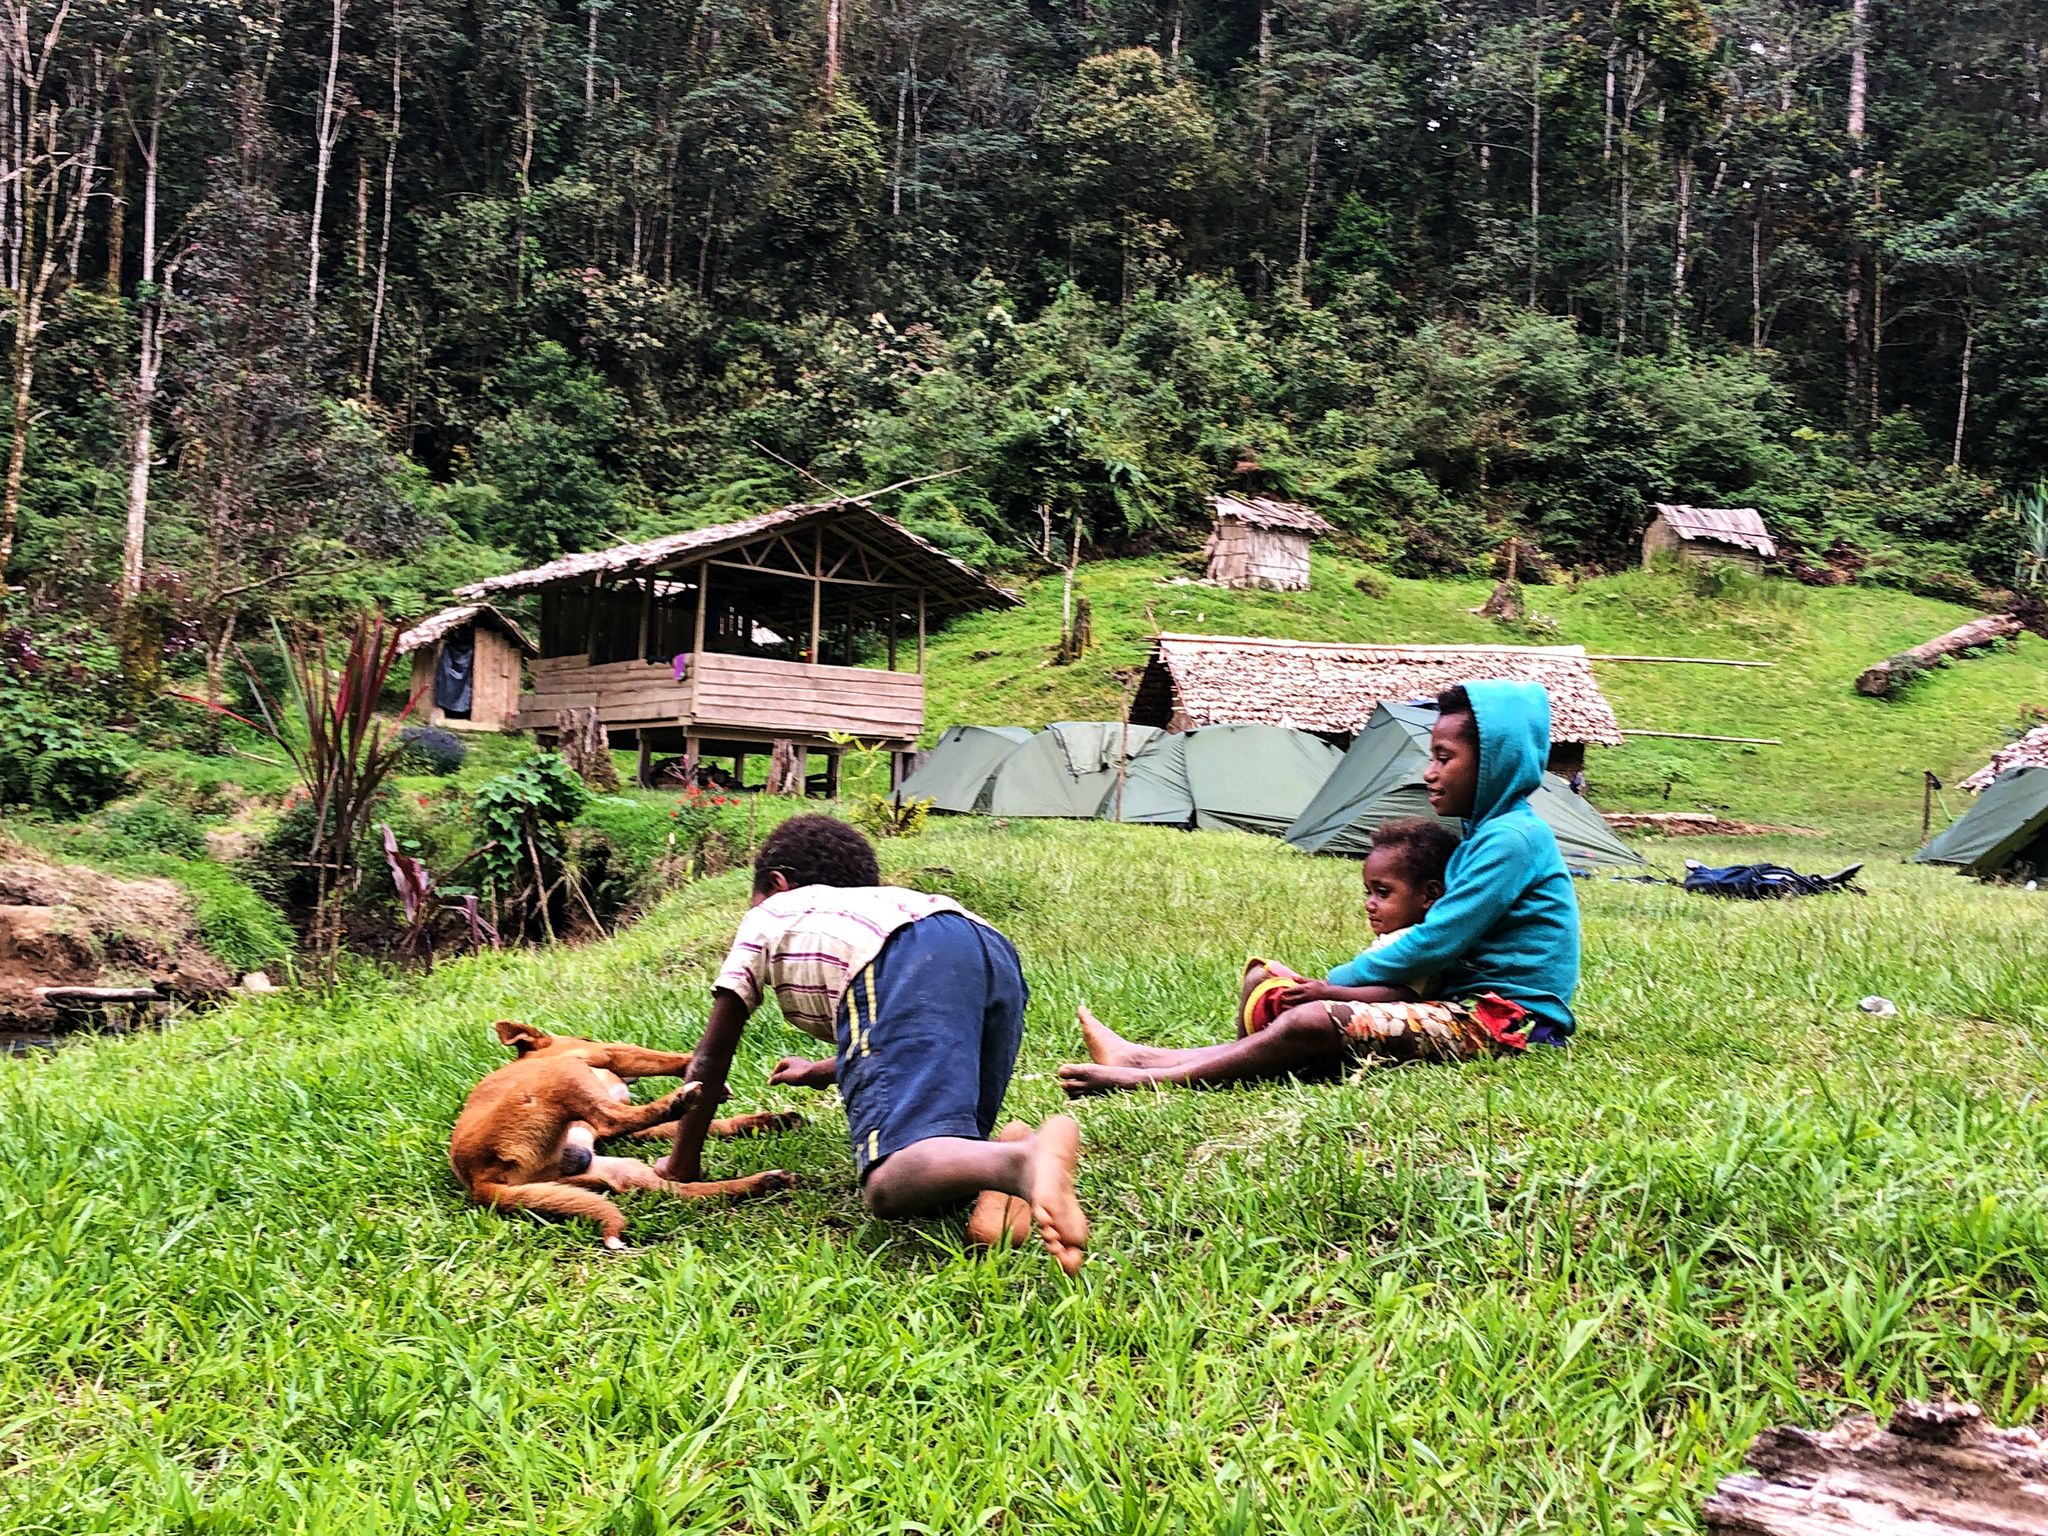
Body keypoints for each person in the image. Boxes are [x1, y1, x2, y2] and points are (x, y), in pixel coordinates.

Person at [1058, 680, 1581, 1095]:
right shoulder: (1486, 834)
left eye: (1444, 758)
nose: (1428, 773)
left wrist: (1337, 981)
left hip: (1508, 1024)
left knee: (1311, 1019)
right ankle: (1147, 1057)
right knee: (1269, 984)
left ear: (1495, 763)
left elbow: (1438, 940)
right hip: (1457, 1005)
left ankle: (1150, 1076)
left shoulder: (1511, 839)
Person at [659, 814, 1089, 1273]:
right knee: (936, 1168)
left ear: (777, 883)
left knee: (888, 1183)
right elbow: (908, 1041)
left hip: (900, 956)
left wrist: (680, 1163)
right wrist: (820, 1070)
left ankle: (1020, 1161)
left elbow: (711, 1056)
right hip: (987, 948)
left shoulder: (770, 914)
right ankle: (1005, 1173)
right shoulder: (879, 904)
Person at [1235, 815, 1456, 1036]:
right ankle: (1244, 1044)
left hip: (1363, 1016)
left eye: (1382, 893)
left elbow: (1401, 995)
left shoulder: (1420, 944)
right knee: (1260, 974)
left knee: (1268, 984)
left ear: (1430, 895)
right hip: (1340, 1001)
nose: (1369, 904)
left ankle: (1247, 1049)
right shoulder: (1399, 937)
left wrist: (1329, 993)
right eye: (1368, 892)